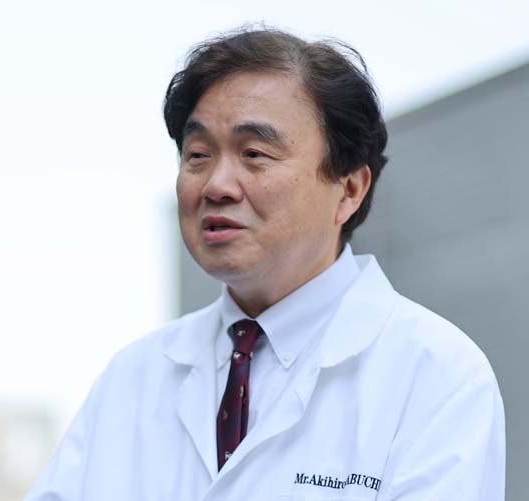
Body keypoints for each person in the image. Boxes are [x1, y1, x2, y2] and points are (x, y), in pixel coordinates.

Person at [25, 28, 505, 500]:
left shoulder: (437, 375)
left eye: (254, 154)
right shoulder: (133, 377)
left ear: (349, 189)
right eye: (198, 155)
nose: (217, 185)